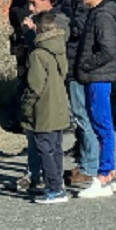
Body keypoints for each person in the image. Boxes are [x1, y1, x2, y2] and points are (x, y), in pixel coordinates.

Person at [74, 0, 116, 198]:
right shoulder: (94, 14)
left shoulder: (102, 17)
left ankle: (103, 176)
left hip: (99, 78)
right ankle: (109, 172)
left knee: (102, 125)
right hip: (93, 77)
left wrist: (85, 64)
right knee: (99, 124)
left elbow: (108, 51)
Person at [55, 0, 98, 189]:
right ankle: (83, 161)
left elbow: (79, 24)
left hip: (76, 58)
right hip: (70, 57)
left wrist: (59, 25)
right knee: (79, 114)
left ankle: (90, 166)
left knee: (82, 115)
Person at [20, 12, 70, 204]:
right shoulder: (59, 48)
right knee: (56, 148)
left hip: (43, 108)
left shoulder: (38, 54)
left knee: (45, 149)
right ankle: (58, 185)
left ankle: (54, 188)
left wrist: (25, 108)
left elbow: (35, 86)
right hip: (58, 105)